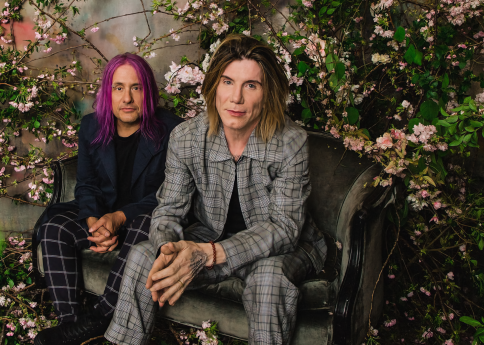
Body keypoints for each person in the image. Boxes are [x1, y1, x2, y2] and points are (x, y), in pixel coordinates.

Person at [105, 35, 327, 345]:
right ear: (213, 87)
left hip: (280, 247)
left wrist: (209, 254)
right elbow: (168, 210)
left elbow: (285, 228)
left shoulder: (290, 142)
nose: (235, 98)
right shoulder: (186, 137)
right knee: (144, 255)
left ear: (267, 94)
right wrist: (170, 251)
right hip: (211, 236)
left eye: (251, 85)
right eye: (227, 82)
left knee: (268, 280)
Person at [34, 53, 183, 345]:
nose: (127, 98)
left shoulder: (173, 131)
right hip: (103, 216)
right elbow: (86, 184)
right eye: (118, 88)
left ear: (148, 92)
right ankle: (72, 326)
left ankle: (101, 317)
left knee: (148, 224)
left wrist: (118, 218)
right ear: (108, 92)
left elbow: (169, 196)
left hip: (141, 219)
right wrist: (94, 223)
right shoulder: (92, 126)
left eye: (136, 88)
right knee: (54, 228)